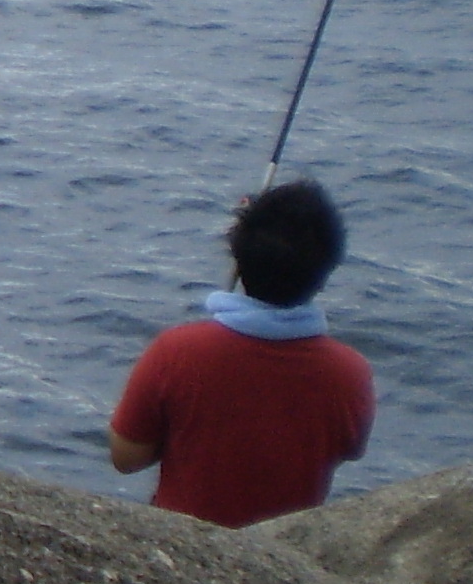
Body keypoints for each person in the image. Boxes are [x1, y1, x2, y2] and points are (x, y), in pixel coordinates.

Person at [107, 179, 374, 528]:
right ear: (325, 274)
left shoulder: (177, 351)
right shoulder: (350, 373)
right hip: (285, 554)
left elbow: (126, 458)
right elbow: (348, 450)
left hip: (183, 550)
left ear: (238, 259)